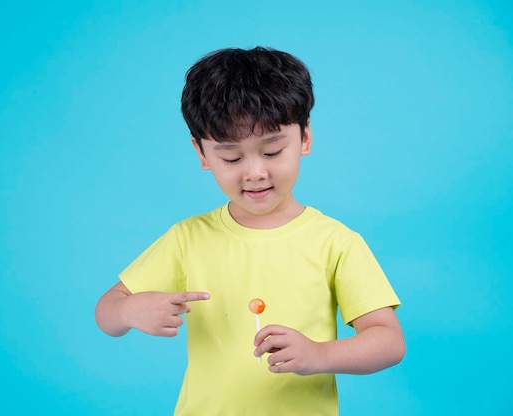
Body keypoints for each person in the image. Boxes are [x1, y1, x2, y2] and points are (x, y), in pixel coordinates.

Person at [95, 46, 405, 415]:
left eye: (272, 152)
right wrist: (129, 311)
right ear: (201, 154)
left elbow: (388, 342)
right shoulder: (188, 238)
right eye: (231, 157)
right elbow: (106, 312)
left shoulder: (336, 242)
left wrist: (321, 354)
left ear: (304, 137)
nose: (255, 172)